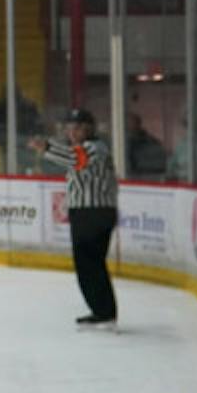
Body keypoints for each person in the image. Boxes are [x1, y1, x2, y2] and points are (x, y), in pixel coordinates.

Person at [30, 109, 120, 328]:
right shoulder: (87, 148)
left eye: (78, 127)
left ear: (89, 129)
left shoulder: (94, 148)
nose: (72, 132)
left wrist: (47, 148)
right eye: (70, 127)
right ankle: (102, 311)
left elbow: (75, 160)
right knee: (90, 264)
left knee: (89, 263)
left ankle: (104, 312)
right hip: (89, 212)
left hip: (93, 212)